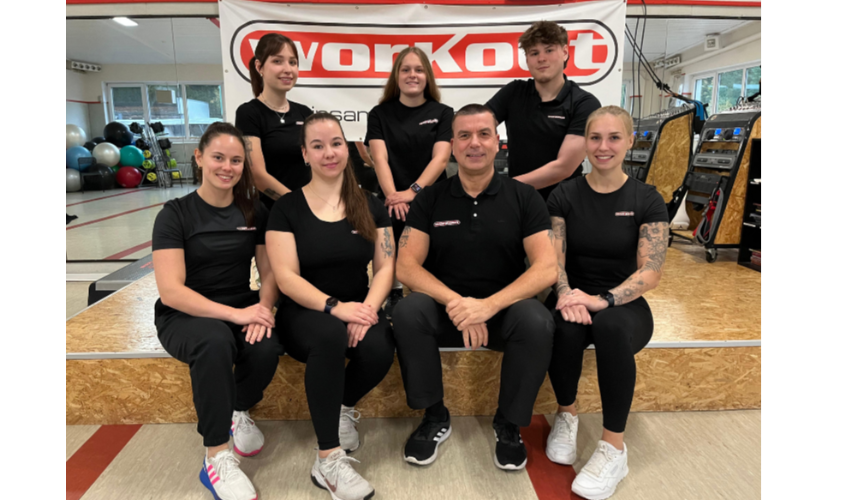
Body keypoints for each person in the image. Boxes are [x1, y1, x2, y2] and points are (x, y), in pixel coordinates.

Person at [393, 104, 557, 471]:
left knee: (537, 320)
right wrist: (460, 304)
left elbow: (547, 268)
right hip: (445, 311)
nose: (474, 143)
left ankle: (509, 423)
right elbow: (406, 265)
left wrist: (488, 306)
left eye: (483, 134)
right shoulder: (430, 198)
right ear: (452, 145)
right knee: (407, 311)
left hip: (503, 313)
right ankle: (434, 415)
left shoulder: (524, 197)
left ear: (497, 142)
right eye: (464, 135)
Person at [266, 112, 396, 500]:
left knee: (379, 347)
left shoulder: (370, 204)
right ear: (305, 154)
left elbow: (386, 266)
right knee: (328, 336)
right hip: (305, 312)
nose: (329, 153)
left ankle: (341, 407)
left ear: (347, 148)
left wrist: (367, 309)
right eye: (318, 146)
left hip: (358, 306)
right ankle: (327, 459)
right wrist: (336, 308)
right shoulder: (286, 208)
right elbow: (286, 277)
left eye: (336, 143)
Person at [545, 106, 670, 500]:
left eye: (614, 137)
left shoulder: (647, 198)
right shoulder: (564, 194)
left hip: (623, 304)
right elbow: (553, 259)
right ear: (584, 143)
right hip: (573, 295)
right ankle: (567, 415)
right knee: (561, 325)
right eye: (595, 137)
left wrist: (604, 300)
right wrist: (566, 295)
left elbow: (651, 270)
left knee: (610, 326)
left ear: (630, 141)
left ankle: (614, 447)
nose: (603, 147)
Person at [152, 122, 281, 500]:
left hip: (241, 302)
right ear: (199, 157)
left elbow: (270, 271)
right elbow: (171, 291)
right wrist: (237, 316)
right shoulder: (175, 214)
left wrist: (264, 308)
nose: (227, 167)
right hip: (185, 312)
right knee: (214, 342)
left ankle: (237, 409)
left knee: (266, 347)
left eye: (236, 160)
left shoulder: (253, 210)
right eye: (218, 157)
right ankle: (216, 456)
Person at [365, 47, 454, 319]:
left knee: (433, 248)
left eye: (418, 70)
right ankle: (392, 293)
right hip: (393, 197)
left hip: (431, 196)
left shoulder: (443, 112)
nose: (412, 75)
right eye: (405, 70)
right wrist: (393, 196)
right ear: (396, 76)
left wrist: (412, 192)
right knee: (390, 237)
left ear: (428, 76)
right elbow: (379, 158)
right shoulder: (379, 114)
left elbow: (441, 159)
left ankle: (432, 294)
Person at [486, 21, 602, 201]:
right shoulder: (514, 92)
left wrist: (506, 187)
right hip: (520, 201)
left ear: (565, 52)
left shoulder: (584, 104)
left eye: (549, 50)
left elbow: (563, 167)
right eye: (534, 53)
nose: (541, 58)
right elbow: (478, 124)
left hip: (563, 204)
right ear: (527, 60)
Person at [236, 33, 314, 210]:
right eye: (278, 61)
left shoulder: (305, 113)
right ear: (259, 67)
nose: (288, 69)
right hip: (275, 212)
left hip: (312, 208)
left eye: (292, 62)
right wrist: (298, 205)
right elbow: (256, 175)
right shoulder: (249, 113)